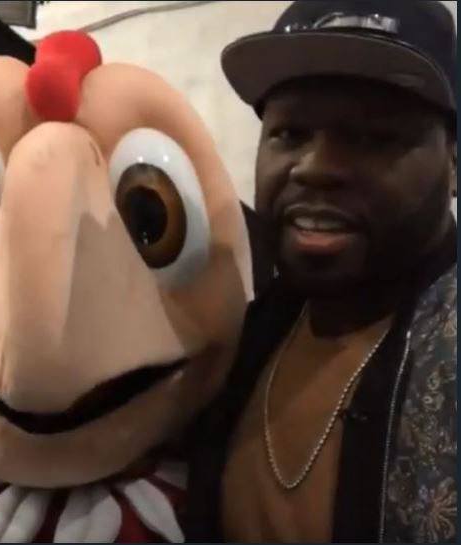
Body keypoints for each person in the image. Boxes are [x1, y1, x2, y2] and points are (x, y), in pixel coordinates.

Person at [184, 1, 457, 542]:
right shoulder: (240, 339)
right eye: (290, 134)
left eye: (373, 138)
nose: (315, 167)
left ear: (454, 161)